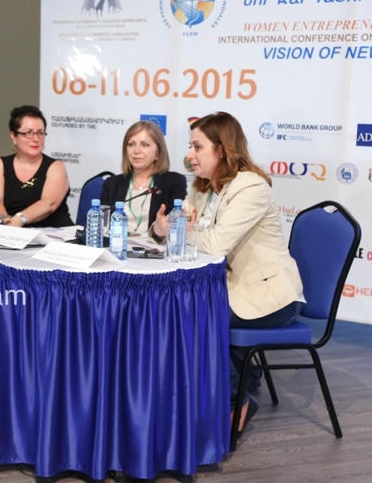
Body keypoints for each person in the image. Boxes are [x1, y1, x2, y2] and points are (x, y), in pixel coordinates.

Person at [180, 111, 304, 438]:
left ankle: (239, 400)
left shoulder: (250, 187)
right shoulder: (202, 187)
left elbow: (215, 245)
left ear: (221, 149)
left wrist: (182, 231)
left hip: (270, 298)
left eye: (197, 147)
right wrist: (164, 228)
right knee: (180, 310)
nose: (189, 155)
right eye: (190, 146)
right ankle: (198, 404)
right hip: (229, 291)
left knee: (192, 318)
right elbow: (178, 224)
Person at [0, 105, 74, 228]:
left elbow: (49, 204)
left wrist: (18, 221)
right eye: (28, 133)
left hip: (54, 232)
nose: (36, 139)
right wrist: (7, 223)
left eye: (40, 133)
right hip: (12, 230)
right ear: (14, 136)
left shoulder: (56, 167)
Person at [100, 120, 187, 240]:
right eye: (131, 144)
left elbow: (176, 228)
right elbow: (101, 225)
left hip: (154, 247)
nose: (136, 151)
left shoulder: (174, 182)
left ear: (158, 152)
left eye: (145, 145)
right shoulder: (112, 184)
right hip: (116, 245)